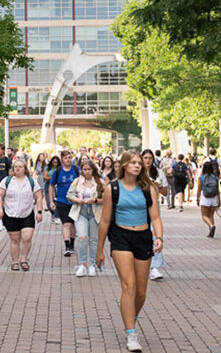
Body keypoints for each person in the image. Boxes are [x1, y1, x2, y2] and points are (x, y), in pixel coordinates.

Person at [96, 150, 163, 352]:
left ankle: (130, 317)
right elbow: (105, 220)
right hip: (121, 238)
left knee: (141, 292)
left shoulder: (147, 188)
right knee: (129, 285)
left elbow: (156, 217)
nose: (137, 166)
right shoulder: (112, 188)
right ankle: (131, 333)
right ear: (124, 165)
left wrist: (159, 237)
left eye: (139, 163)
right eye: (133, 162)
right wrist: (99, 250)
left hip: (143, 237)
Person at [0, 158, 44, 271]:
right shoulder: (7, 181)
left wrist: (39, 211)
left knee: (27, 238)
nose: (17, 168)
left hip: (27, 214)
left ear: (25, 169)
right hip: (11, 214)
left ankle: (24, 259)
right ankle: (15, 261)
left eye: (20, 166)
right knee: (15, 239)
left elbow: (39, 195)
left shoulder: (31, 182)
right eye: (15, 166)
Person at [67, 158, 105, 278]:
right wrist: (76, 199)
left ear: (93, 170)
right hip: (80, 211)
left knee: (93, 239)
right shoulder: (77, 181)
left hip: (95, 212)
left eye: (89, 169)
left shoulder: (100, 182)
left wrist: (94, 200)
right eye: (84, 169)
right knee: (82, 237)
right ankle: (82, 264)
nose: (87, 172)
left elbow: (107, 198)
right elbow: (69, 194)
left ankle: (92, 264)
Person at [48, 150, 80, 256]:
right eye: (66, 158)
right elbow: (51, 186)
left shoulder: (76, 170)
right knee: (65, 224)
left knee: (72, 224)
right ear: (62, 159)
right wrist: (52, 201)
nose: (68, 160)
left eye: (69, 158)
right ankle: (66, 246)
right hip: (62, 201)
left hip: (75, 202)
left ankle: (72, 243)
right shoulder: (57, 172)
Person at [146, 160, 166, 281]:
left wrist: (158, 186)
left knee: (155, 236)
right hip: (139, 211)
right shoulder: (137, 173)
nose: (147, 160)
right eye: (145, 157)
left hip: (154, 209)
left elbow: (165, 192)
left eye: (149, 158)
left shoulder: (158, 173)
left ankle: (155, 267)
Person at [196, 160, 221, 237]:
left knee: (204, 215)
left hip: (205, 198)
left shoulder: (201, 177)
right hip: (214, 198)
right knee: (211, 215)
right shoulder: (215, 177)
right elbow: (218, 189)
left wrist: (197, 199)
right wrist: (219, 200)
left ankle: (211, 226)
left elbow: (199, 189)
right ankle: (211, 231)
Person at [44, 155, 61, 224]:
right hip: (48, 185)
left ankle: (57, 216)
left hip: (57, 185)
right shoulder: (47, 168)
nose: (55, 163)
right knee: (49, 202)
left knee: (56, 201)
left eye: (56, 162)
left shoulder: (60, 168)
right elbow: (45, 177)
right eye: (54, 162)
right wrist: (53, 177)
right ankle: (53, 214)